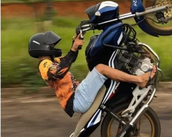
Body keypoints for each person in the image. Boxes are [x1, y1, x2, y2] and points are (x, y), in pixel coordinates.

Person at [28, 30, 156, 117]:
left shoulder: (52, 61)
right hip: (76, 100)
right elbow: (58, 72)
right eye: (51, 45)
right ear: (43, 46)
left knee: (105, 74)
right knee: (100, 69)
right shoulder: (44, 64)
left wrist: (75, 45)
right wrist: (73, 49)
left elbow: (68, 60)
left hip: (77, 96)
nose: (54, 47)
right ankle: (139, 79)